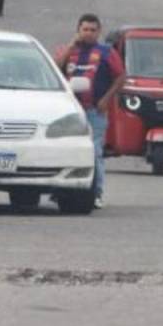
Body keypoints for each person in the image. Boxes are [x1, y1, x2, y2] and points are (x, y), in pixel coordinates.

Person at [55, 14, 125, 209]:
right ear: (78, 30)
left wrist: (106, 99)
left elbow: (121, 77)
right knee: (66, 150)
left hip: (95, 111)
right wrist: (70, 47)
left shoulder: (106, 52)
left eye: (93, 30)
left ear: (99, 32)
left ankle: (96, 192)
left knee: (94, 151)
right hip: (69, 113)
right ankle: (62, 190)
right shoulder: (68, 50)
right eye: (85, 29)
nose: (88, 33)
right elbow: (54, 68)